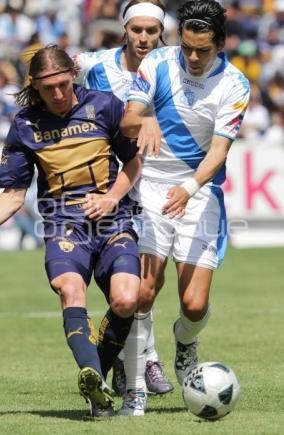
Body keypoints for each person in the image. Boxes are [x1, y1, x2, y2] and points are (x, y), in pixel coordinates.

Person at [0, 45, 142, 418]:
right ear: (35, 87)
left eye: (62, 84)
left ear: (73, 74)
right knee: (70, 289)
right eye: (47, 88)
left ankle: (96, 376)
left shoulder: (105, 105)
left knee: (125, 300)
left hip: (113, 221)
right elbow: (12, 195)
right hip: (63, 224)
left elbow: (134, 161)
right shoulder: (26, 125)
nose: (57, 94)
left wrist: (110, 198)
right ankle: (95, 380)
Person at [120, 0, 250, 415]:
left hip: (198, 190)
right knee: (143, 290)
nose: (193, 58)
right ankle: (136, 386)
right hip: (151, 185)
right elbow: (127, 120)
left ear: (220, 44)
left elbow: (218, 151)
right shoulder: (157, 62)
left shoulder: (234, 84)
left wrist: (191, 187)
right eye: (187, 48)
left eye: (203, 51)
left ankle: (186, 341)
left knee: (193, 305)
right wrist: (145, 120)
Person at [75, 0, 174, 397]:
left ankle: (123, 352)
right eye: (137, 30)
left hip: (155, 182)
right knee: (129, 283)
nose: (144, 38)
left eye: (152, 31)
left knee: (149, 285)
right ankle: (145, 359)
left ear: (161, 32)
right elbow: (46, 65)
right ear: (125, 29)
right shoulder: (95, 64)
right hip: (107, 186)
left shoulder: (173, 64)